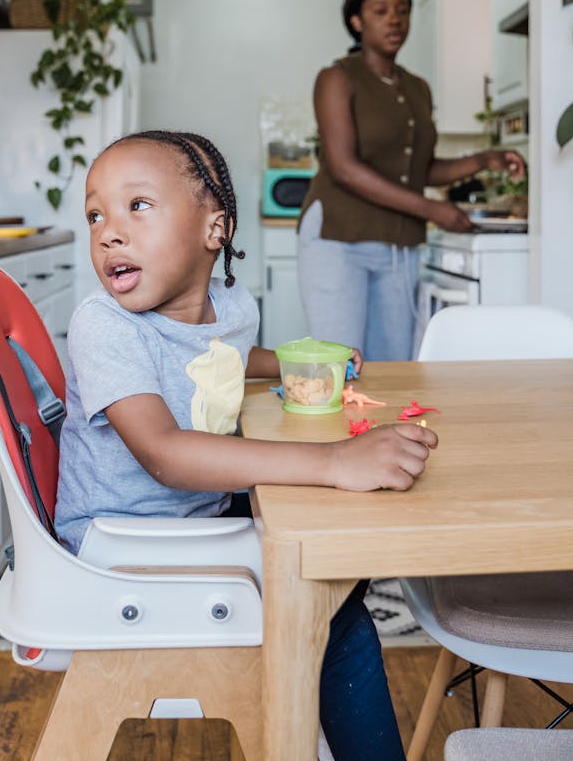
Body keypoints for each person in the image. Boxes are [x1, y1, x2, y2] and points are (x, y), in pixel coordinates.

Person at [55, 128, 438, 761]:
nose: (108, 231)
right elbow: (166, 455)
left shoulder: (229, 305)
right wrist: (333, 461)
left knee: (338, 564)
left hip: (184, 518)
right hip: (122, 543)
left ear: (215, 230)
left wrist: (294, 364)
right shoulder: (105, 327)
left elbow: (226, 357)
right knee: (332, 603)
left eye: (137, 206)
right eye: (96, 213)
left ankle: (303, 699)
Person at [297, 0, 526, 361]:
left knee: (393, 365)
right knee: (337, 362)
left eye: (403, 11)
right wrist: (432, 210)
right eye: (381, 11)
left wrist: (484, 160)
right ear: (357, 21)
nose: (395, 21)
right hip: (338, 239)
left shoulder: (417, 88)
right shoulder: (336, 78)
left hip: (398, 247)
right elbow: (343, 168)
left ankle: (386, 426)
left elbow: (420, 170)